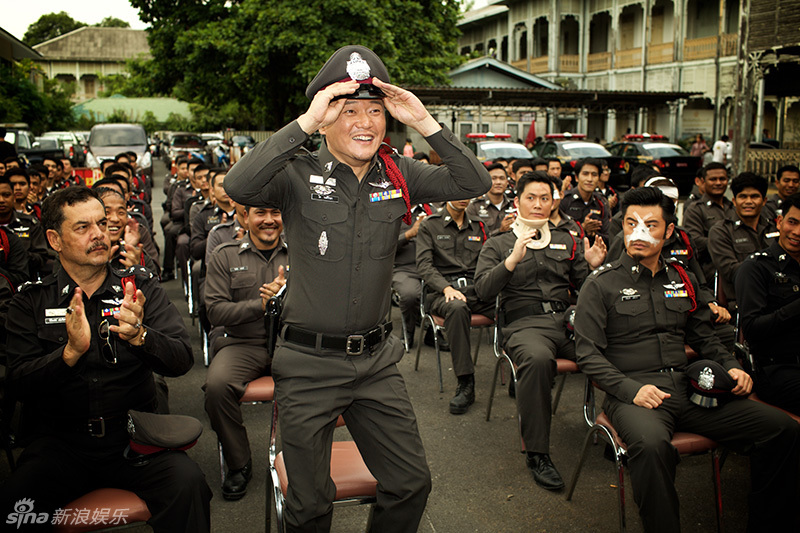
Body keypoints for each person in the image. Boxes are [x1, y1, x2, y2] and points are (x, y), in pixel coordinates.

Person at [223, 45, 490, 532]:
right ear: (324, 118)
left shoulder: (400, 173)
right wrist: (303, 124)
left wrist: (426, 122)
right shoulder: (295, 174)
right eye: (349, 110)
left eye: (375, 110)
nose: (365, 121)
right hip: (307, 365)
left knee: (411, 483)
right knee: (308, 504)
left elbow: (474, 181)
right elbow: (238, 186)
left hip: (375, 364)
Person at [574, 186, 799, 533]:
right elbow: (587, 353)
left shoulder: (682, 278)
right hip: (633, 394)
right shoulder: (600, 284)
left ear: (668, 231)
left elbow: (704, 336)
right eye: (631, 223)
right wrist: (631, 389)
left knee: (782, 429)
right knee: (651, 448)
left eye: (650, 225)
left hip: (690, 387)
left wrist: (734, 366)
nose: (639, 232)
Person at [0, 186, 212, 532]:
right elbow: (18, 384)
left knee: (188, 484)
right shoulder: (31, 301)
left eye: (101, 224)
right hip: (60, 445)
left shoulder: (139, 287)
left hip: (133, 440)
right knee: (15, 504)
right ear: (54, 239)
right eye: (82, 227)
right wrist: (68, 354)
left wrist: (142, 337)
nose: (99, 234)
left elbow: (181, 361)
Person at [474, 171, 606, 490]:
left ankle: (622, 431)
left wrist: (591, 267)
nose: (537, 204)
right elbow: (482, 291)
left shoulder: (566, 238)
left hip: (566, 322)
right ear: (517, 201)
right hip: (524, 325)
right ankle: (537, 453)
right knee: (536, 360)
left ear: (553, 202)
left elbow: (585, 292)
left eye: (544, 198)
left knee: (610, 351)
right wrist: (511, 261)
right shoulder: (499, 243)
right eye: (531, 198)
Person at [204, 204, 288, 500]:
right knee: (216, 387)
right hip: (243, 343)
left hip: (290, 343)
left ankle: (299, 459)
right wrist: (261, 305)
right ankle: (239, 462)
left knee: (321, 381)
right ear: (245, 218)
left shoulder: (302, 252)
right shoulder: (225, 255)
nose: (269, 220)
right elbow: (214, 311)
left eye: (275, 213)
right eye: (260, 213)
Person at [416, 198, 493, 414]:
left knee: (510, 306)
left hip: (475, 290)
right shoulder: (429, 225)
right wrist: (446, 288)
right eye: (457, 192)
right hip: (442, 292)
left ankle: (521, 370)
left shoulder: (479, 225)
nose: (462, 197)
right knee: (457, 308)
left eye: (467, 193)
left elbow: (487, 261)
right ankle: (466, 382)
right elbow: (424, 265)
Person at [737, 192, 800, 415]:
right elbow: (753, 329)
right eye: (793, 222)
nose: (797, 232)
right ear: (780, 222)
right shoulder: (756, 268)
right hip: (777, 369)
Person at [708, 172, 778, 306]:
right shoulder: (721, 231)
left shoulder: (773, 228)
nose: (748, 202)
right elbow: (732, 271)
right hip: (742, 303)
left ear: (764, 201)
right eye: (743, 197)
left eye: (754, 197)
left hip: (777, 299)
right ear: (734, 201)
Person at [682, 162, 736, 282]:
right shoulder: (695, 209)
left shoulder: (734, 207)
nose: (718, 183)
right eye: (713, 179)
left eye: (722, 179)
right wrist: (726, 242)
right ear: (703, 181)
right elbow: (694, 241)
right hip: (709, 273)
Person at [559, 157, 611, 245]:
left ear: (598, 178)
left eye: (594, 175)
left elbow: (608, 236)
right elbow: (557, 234)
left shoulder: (601, 202)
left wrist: (593, 234)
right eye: (585, 174)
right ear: (576, 177)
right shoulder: (564, 200)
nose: (590, 179)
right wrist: (582, 228)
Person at [466, 162, 515, 235]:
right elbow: (473, 237)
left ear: (507, 182)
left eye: (502, 178)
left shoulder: (515, 205)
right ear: (486, 181)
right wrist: (500, 230)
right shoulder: (474, 206)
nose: (498, 182)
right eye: (494, 178)